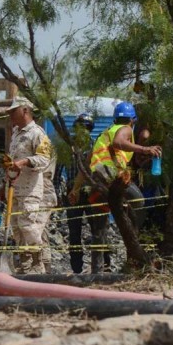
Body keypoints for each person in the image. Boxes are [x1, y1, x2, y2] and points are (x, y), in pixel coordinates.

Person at [87, 101, 161, 273]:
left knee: (99, 227)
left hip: (97, 178)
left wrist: (76, 188)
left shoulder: (106, 132)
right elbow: (119, 143)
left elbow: (90, 158)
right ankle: (135, 250)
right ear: (132, 120)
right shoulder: (126, 129)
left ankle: (96, 272)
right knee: (139, 202)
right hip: (110, 174)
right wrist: (145, 149)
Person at [0, 96, 52, 274]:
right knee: (16, 228)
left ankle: (38, 263)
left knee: (28, 226)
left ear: (25, 110)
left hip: (30, 189)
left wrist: (24, 162)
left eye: (13, 111)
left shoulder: (37, 133)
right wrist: (4, 185)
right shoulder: (16, 133)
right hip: (14, 188)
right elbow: (11, 162)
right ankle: (25, 263)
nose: (10, 115)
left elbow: (44, 159)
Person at [65, 113, 111, 273]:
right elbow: (58, 170)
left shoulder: (96, 148)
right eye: (79, 128)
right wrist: (58, 191)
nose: (82, 131)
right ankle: (76, 269)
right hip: (72, 193)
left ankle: (105, 266)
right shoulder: (68, 148)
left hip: (93, 193)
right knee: (74, 231)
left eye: (86, 128)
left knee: (98, 229)